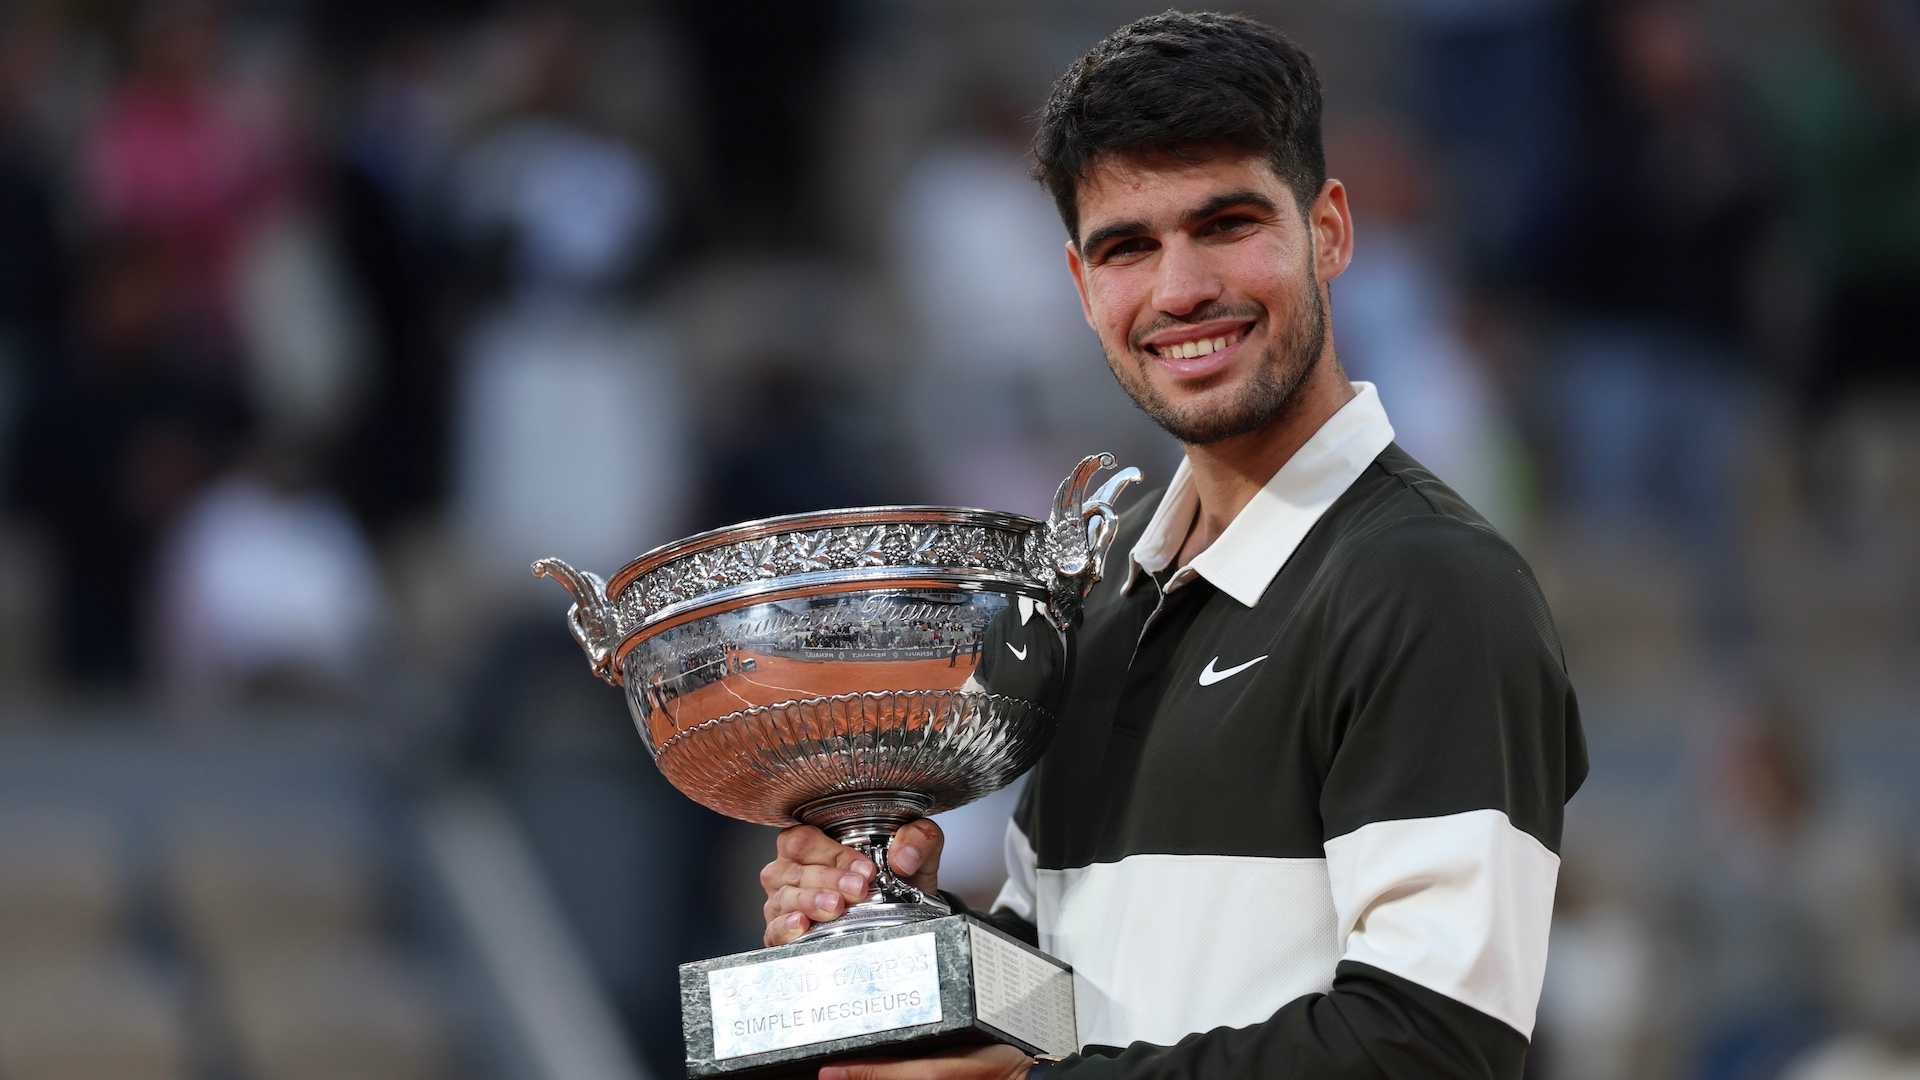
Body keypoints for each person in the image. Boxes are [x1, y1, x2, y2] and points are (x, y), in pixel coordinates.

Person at [758, 12, 1586, 1079]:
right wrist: (892, 936)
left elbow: (1431, 1048)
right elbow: (1057, 1008)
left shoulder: (1430, 586)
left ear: (1329, 230)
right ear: (1080, 286)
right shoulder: (1098, 623)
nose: (1181, 289)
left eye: (1227, 223)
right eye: (1127, 247)